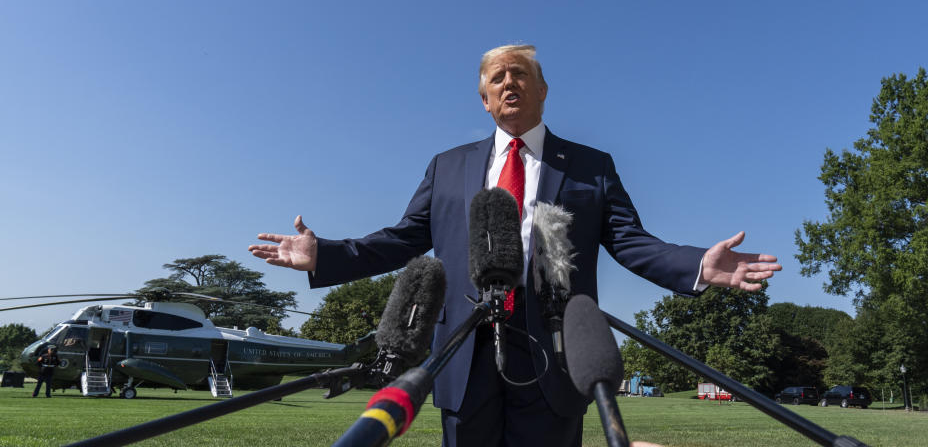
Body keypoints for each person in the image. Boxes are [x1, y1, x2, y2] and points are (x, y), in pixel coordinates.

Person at [249, 44, 781, 447]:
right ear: (484, 100)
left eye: (521, 74)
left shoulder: (592, 166)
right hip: (463, 347)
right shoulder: (448, 165)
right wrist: (327, 254)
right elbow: (405, 238)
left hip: (553, 349)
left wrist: (696, 265)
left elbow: (629, 241)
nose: (510, 83)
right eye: (497, 78)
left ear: (543, 90)